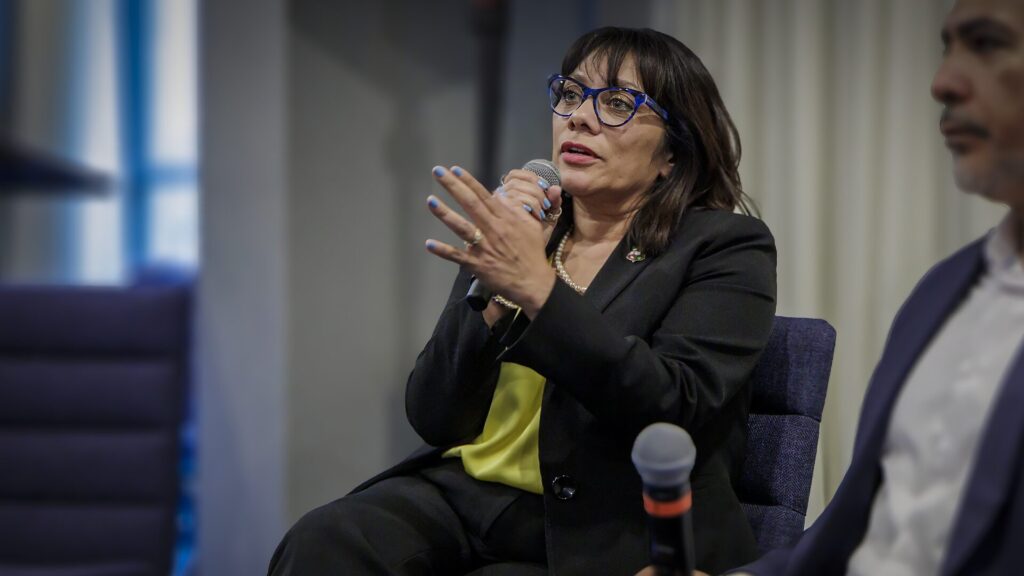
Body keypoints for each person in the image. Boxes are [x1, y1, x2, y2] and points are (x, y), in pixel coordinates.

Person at [269, 27, 776, 576]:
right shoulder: (521, 236)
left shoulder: (724, 246)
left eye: (616, 103)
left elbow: (672, 406)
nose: (579, 118)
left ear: (671, 155)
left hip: (608, 522)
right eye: (570, 94)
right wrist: (492, 294)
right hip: (464, 495)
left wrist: (538, 290)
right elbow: (434, 416)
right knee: (324, 540)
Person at [725, 0, 1024, 574]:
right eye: (948, 49)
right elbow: (849, 533)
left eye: (986, 44)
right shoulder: (944, 290)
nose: (942, 83)